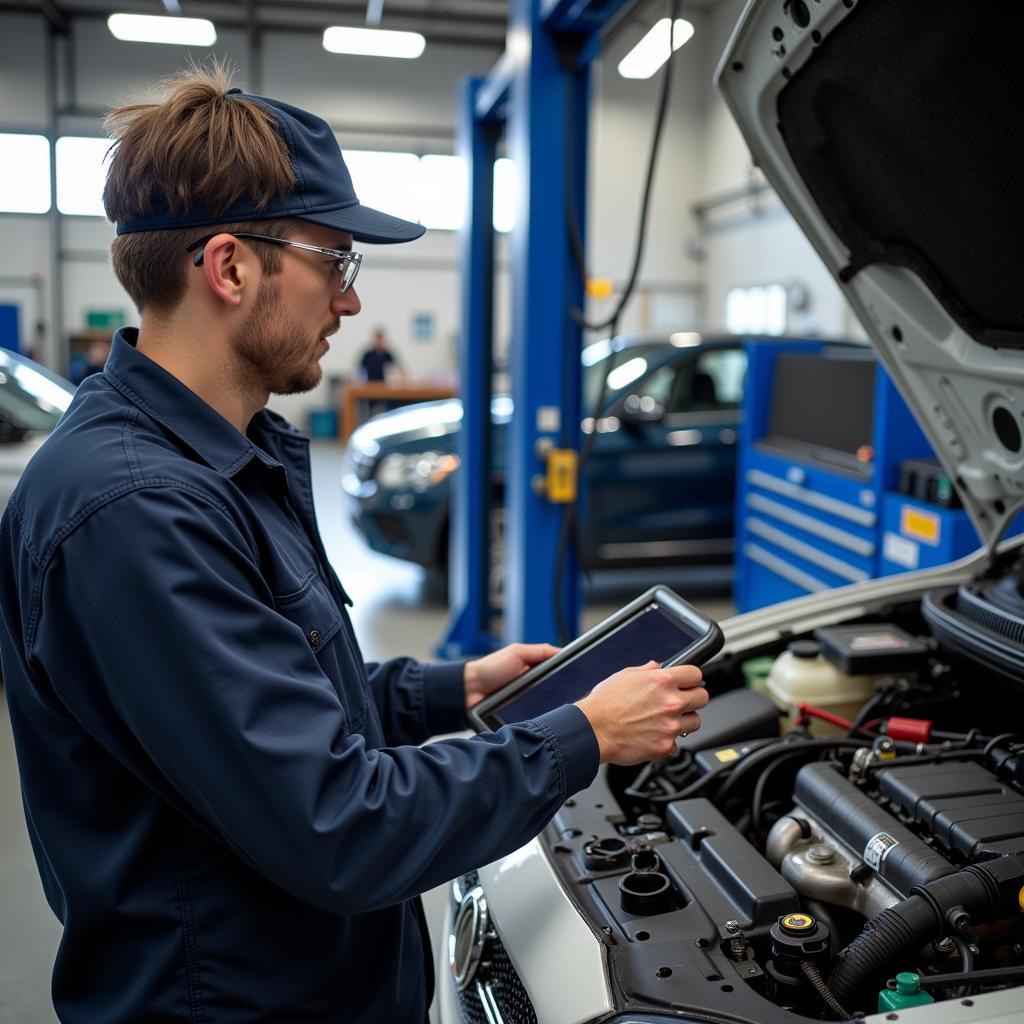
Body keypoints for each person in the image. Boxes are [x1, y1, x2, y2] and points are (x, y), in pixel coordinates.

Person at [0, 67, 709, 1024]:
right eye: (335, 263)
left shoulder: (216, 463)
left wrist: (449, 691)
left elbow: (276, 703)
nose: (349, 303)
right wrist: (583, 735)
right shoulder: (137, 510)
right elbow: (337, 823)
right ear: (231, 267)